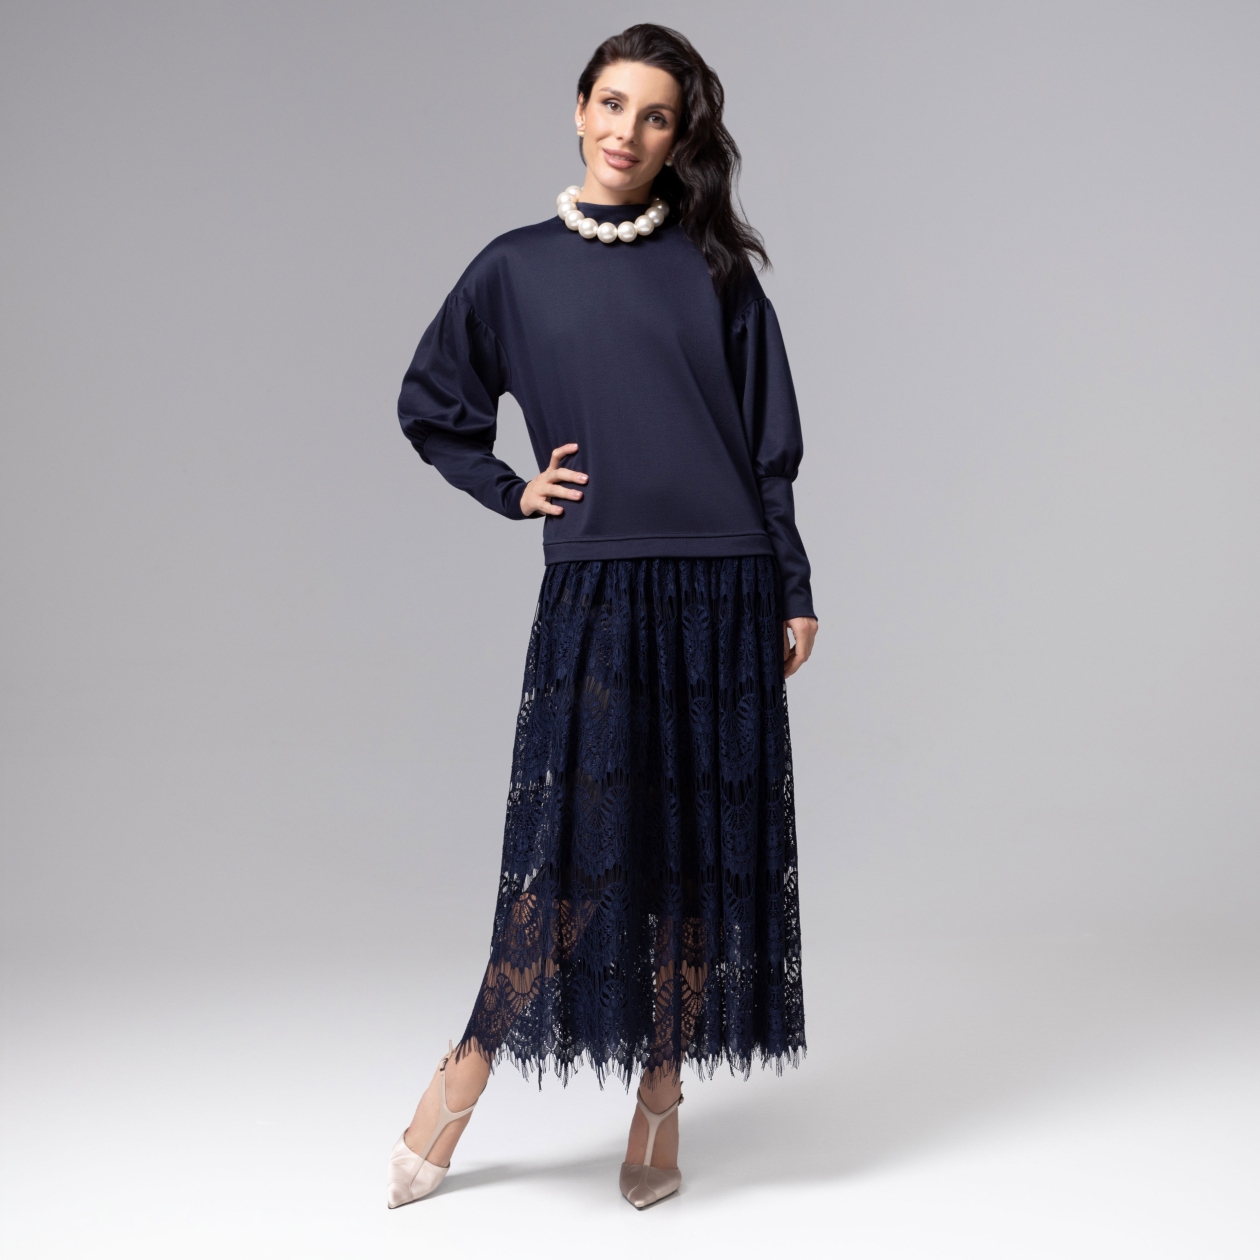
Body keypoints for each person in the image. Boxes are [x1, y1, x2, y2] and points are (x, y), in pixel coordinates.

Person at [387, 22, 817, 1211]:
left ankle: (660, 1094)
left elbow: (769, 450)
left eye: (657, 116)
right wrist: (511, 490)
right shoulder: (513, 268)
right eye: (614, 105)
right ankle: (464, 1073)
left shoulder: (716, 268)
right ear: (580, 109)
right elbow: (433, 405)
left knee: (695, 855)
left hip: (725, 581)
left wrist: (791, 583)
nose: (629, 131)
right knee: (570, 851)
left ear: (680, 139)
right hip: (601, 580)